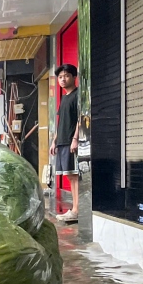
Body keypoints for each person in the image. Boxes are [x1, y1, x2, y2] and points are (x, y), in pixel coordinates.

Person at [53, 63, 81, 223]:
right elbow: (61, 121)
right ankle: (74, 209)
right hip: (62, 141)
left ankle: (76, 210)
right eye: (60, 77)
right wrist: (54, 141)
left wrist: (75, 139)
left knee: (75, 176)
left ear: (74, 77)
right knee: (70, 176)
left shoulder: (77, 95)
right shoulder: (64, 97)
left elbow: (80, 119)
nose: (63, 79)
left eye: (66, 76)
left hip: (71, 141)